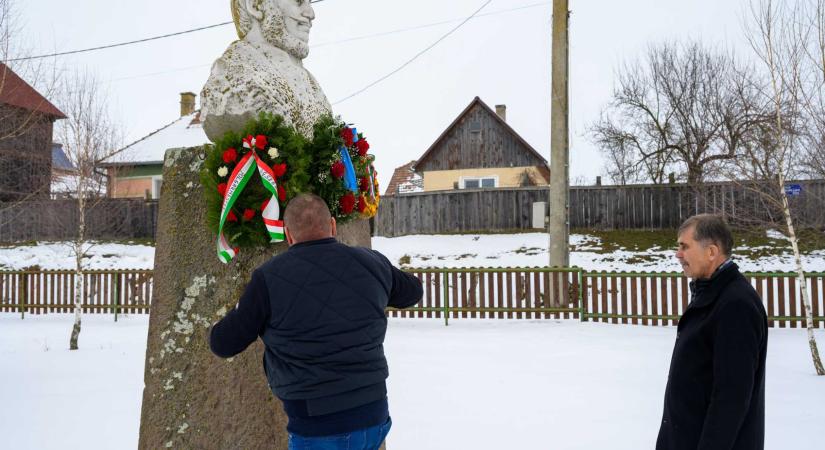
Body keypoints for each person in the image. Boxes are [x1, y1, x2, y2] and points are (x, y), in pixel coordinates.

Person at [209, 194, 422, 450]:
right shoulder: (371, 261)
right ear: (332, 225)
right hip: (373, 415)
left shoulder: (268, 279)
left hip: (316, 425)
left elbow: (223, 343)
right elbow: (413, 292)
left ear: (288, 234)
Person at [656, 214, 768, 450]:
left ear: (711, 252)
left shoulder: (735, 305)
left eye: (685, 246)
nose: (678, 254)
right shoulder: (710, 293)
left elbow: (731, 398)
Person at [201, 0, 331, 141]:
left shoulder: (313, 86)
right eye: (298, 1)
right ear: (256, 5)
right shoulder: (232, 78)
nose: (311, 14)